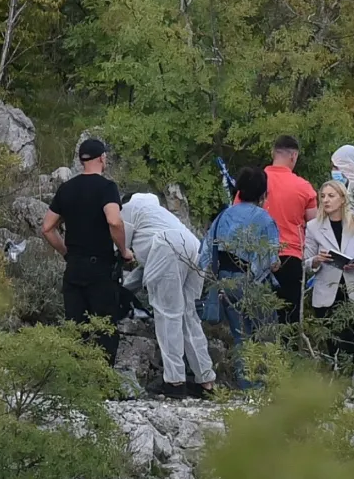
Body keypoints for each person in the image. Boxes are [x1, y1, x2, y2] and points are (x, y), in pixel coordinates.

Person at [40, 139, 134, 366]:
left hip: (73, 268)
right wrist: (124, 251)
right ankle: (102, 383)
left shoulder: (67, 188)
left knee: (76, 329)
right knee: (104, 327)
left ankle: (77, 383)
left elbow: (47, 228)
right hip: (100, 268)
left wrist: (65, 252)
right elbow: (114, 221)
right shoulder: (107, 187)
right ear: (102, 158)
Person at [121, 193, 216, 399]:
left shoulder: (128, 209)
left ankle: (174, 382)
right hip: (194, 247)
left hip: (167, 247)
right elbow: (145, 267)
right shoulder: (158, 214)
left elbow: (123, 249)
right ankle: (206, 381)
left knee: (168, 315)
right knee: (189, 315)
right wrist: (126, 289)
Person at [200, 167, 280, 389]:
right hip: (251, 282)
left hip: (225, 281)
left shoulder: (224, 215)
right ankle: (267, 383)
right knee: (265, 333)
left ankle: (246, 385)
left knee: (240, 336)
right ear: (263, 194)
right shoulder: (264, 219)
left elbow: (206, 250)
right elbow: (270, 260)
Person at [304, 180, 354, 366]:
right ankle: (337, 386)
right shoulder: (313, 226)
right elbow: (305, 262)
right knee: (332, 344)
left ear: (343, 199)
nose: (326, 200)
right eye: (323, 196)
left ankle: (350, 388)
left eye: (331, 196)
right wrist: (316, 260)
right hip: (327, 294)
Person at [246, 136, 317, 325]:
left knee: (255, 316)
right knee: (289, 320)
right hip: (289, 256)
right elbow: (316, 226)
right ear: (294, 156)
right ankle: (289, 353)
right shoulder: (304, 187)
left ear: (273, 153)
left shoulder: (253, 181)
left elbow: (238, 215)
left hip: (254, 255)